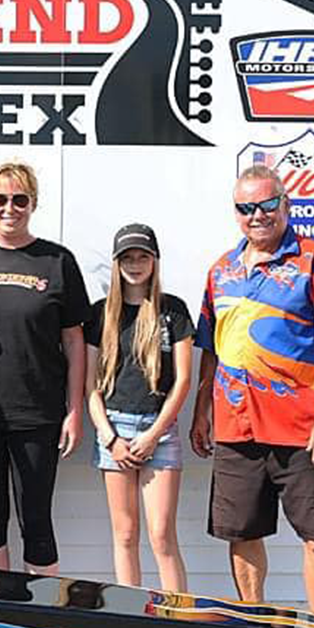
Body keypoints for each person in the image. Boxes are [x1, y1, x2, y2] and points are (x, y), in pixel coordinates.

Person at [189, 164, 314, 613]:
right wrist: (201, 410)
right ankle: (254, 622)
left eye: (266, 204)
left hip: (300, 427)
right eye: (246, 207)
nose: (257, 215)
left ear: (286, 204)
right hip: (234, 425)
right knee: (242, 533)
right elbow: (212, 347)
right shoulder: (221, 270)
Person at [0, 162, 89, 575]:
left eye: (19, 200)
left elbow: (74, 340)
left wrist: (74, 410)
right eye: (0, 199)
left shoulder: (57, 260)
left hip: (39, 413)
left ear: (33, 204)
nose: (9, 208)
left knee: (37, 521)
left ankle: (43, 619)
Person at [85, 224, 194, 590]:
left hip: (158, 432)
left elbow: (182, 381)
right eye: (127, 257)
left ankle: (179, 620)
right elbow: (91, 387)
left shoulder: (173, 311)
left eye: (142, 256)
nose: (135, 264)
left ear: (154, 261)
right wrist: (110, 438)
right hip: (113, 429)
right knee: (126, 534)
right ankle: (131, 615)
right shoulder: (100, 314)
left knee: (162, 535)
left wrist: (153, 434)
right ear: (116, 264)